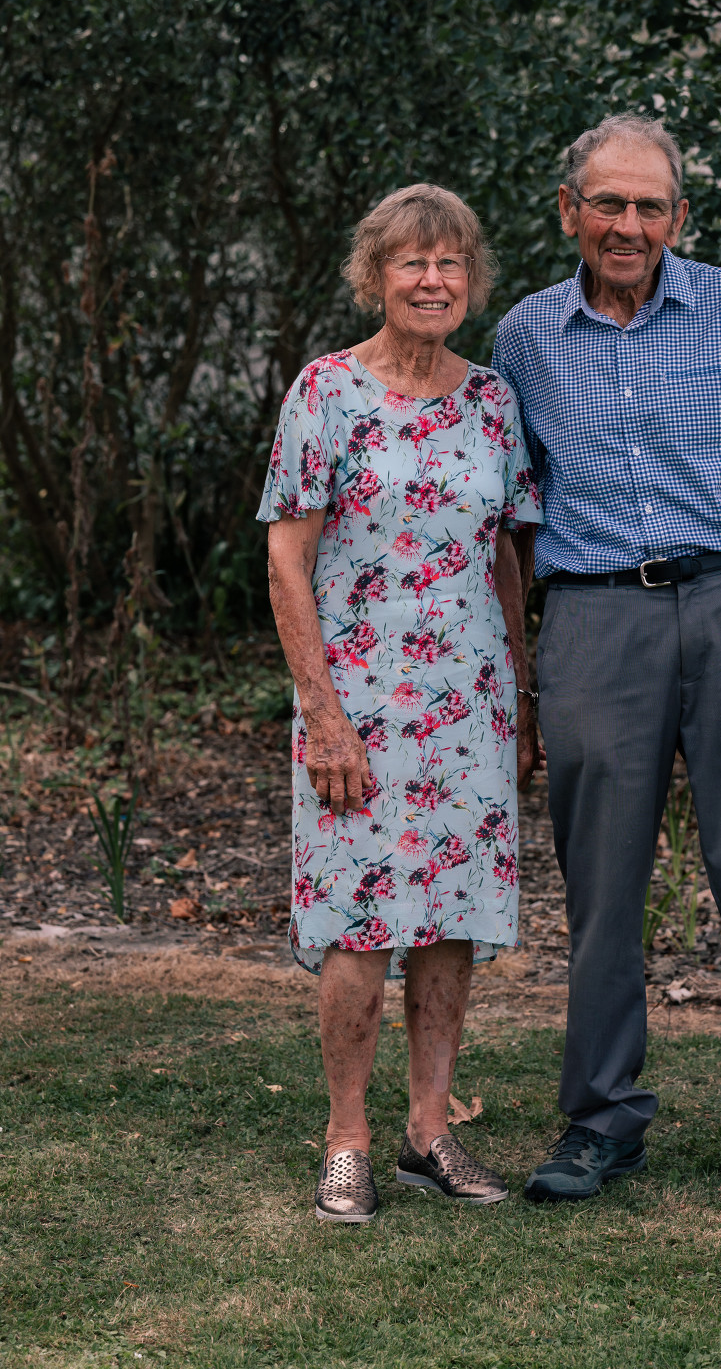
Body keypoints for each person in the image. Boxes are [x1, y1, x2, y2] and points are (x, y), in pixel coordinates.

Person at [492, 113, 721, 1204]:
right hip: (594, 622)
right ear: (570, 212)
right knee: (600, 887)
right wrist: (520, 679)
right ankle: (599, 1122)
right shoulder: (524, 337)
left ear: (677, 217)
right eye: (608, 202)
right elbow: (512, 526)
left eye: (648, 206)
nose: (627, 225)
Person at [259, 184, 543, 1222]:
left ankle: (430, 1129)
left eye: (449, 262)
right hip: (357, 707)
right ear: (374, 276)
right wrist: (322, 713)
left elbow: (506, 559)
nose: (432, 280)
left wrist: (521, 697)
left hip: (470, 705)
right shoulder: (325, 390)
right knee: (356, 921)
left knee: (450, 919)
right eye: (411, 262)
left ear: (471, 279)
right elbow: (286, 564)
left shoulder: (493, 402)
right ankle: (348, 1138)